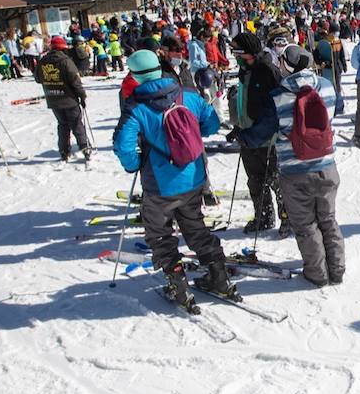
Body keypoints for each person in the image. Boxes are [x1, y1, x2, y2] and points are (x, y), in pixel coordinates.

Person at [113, 49, 236, 308]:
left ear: (135, 75)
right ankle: (219, 277)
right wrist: (192, 134)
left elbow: (123, 145)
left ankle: (178, 286)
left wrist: (135, 163)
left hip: (160, 184)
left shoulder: (136, 106)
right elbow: (212, 123)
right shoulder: (187, 94)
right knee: (195, 226)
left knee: (159, 233)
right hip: (193, 176)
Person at [272, 45, 345, 287]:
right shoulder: (325, 86)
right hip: (326, 165)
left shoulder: (279, 94)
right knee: (328, 219)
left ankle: (317, 273)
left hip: (294, 169)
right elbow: (334, 113)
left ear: (286, 65)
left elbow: (273, 128)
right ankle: (337, 270)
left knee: (305, 225)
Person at [228, 32, 285, 234]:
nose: (233, 55)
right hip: (248, 136)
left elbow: (274, 112)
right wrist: (240, 127)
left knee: (276, 180)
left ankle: (287, 218)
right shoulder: (245, 70)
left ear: (249, 52)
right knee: (255, 181)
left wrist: (253, 134)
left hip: (267, 139)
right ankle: (263, 216)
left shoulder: (267, 71)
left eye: (236, 51)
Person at [35, 34, 93, 162]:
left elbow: (38, 78)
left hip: (53, 99)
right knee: (76, 123)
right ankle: (84, 147)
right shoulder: (65, 61)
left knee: (63, 125)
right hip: (69, 99)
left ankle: (64, 150)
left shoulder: (43, 61)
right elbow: (75, 81)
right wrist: (82, 95)